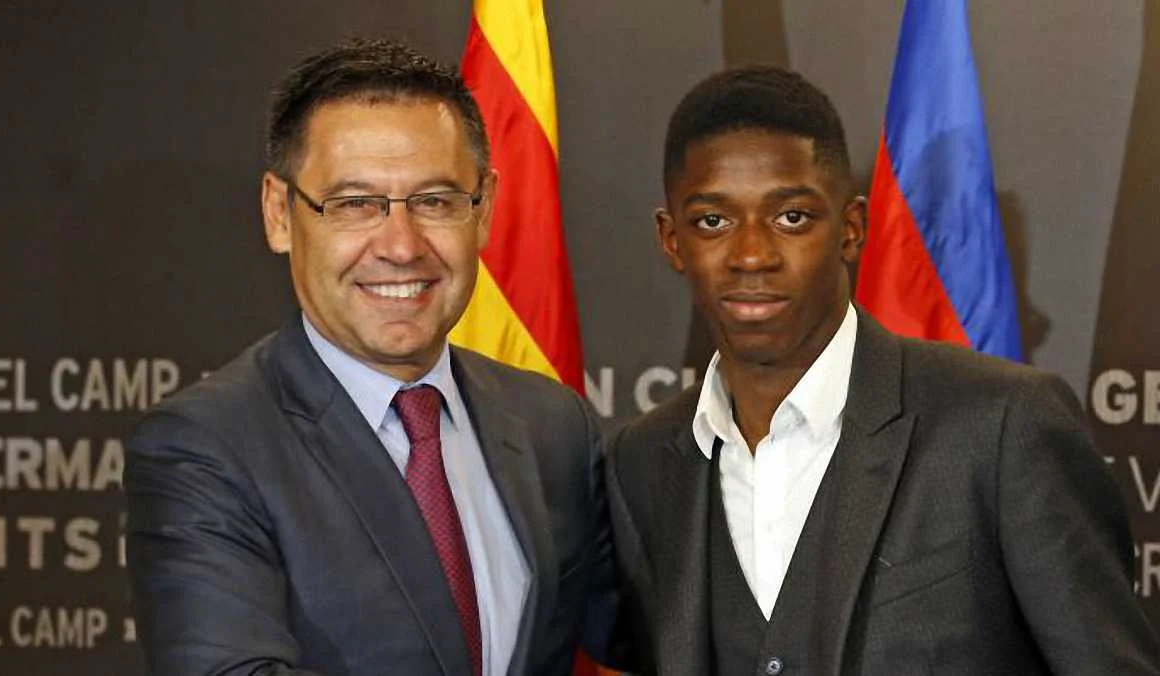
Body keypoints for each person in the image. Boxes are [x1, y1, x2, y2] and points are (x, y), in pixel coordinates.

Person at [605, 65, 1160, 675]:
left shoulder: (1000, 425)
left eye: (791, 217)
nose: (752, 255)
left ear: (851, 229)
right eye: (714, 221)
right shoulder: (642, 461)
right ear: (671, 240)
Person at [125, 38, 614, 676]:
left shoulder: (551, 425)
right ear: (279, 213)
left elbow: (656, 631)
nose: (402, 247)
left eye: (434, 201)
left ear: (484, 210)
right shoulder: (208, 447)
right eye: (355, 204)